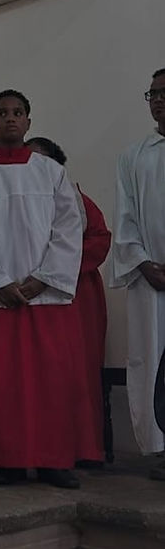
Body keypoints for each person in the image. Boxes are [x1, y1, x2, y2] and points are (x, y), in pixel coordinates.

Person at [0, 89, 98, 489]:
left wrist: (42, 279)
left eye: (18, 112)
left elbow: (69, 229)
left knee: (52, 381)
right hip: (1, 300)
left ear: (29, 121)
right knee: (5, 384)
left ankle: (55, 460)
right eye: (2, 113)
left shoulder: (51, 173)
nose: (10, 119)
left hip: (45, 296)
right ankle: (11, 461)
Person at [26, 137, 110, 465]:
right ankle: (37, 449)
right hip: (31, 296)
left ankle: (82, 448)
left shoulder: (77, 200)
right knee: (36, 376)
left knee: (77, 372)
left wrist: (58, 268)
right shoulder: (13, 202)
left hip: (77, 296)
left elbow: (100, 239)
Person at [111, 68, 165, 477]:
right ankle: (163, 447)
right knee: (152, 357)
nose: (158, 100)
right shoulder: (134, 155)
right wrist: (144, 263)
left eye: (163, 92)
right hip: (152, 277)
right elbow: (125, 217)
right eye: (152, 93)